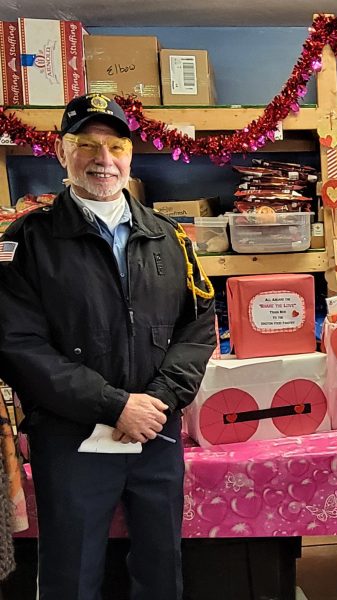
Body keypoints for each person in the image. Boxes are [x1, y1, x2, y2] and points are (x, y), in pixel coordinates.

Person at [0, 93, 216, 599]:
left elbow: (199, 325)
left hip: (156, 432)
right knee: (70, 574)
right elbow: (16, 344)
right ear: (61, 152)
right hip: (70, 437)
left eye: (116, 145)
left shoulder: (169, 237)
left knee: (161, 569)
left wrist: (159, 401)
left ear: (130, 155)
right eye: (87, 145)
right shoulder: (26, 241)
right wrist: (115, 405)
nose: (103, 159)